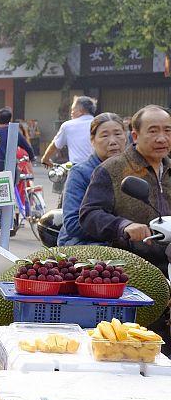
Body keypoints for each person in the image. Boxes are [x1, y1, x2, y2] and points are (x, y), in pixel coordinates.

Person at [80, 105, 171, 274]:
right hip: (132, 267)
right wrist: (123, 226)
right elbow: (89, 215)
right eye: (153, 131)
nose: (162, 138)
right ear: (135, 136)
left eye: (167, 130)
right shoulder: (112, 169)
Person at [57, 113, 126, 246]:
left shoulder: (135, 170)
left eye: (118, 134)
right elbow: (72, 223)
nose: (113, 141)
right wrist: (119, 228)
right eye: (105, 136)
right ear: (92, 140)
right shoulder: (80, 173)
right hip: (84, 244)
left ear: (126, 137)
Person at [0, 108, 35, 233]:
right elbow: (28, 148)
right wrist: (32, 158)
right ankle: (8, 225)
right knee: (7, 196)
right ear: (10, 120)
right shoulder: (15, 133)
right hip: (11, 169)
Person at [42, 96, 96, 167]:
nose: (71, 113)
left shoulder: (68, 125)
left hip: (78, 168)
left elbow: (55, 145)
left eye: (73, 109)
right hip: (100, 167)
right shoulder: (100, 124)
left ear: (81, 111)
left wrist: (45, 159)